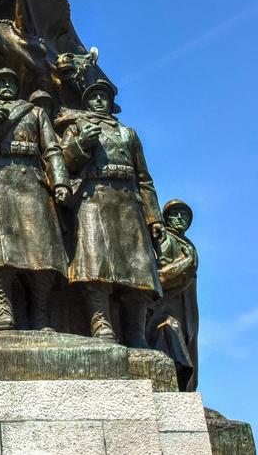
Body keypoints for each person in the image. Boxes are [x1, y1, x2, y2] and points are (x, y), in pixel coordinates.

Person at [0, 71, 70, 330]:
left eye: (11, 82)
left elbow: (52, 149)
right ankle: (2, 310)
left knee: (42, 253)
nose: (6, 86)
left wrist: (60, 182)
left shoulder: (34, 113)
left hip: (31, 181)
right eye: (1, 83)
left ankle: (40, 315)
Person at [60, 79, 163, 346]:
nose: (98, 101)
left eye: (102, 97)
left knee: (137, 271)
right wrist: (81, 144)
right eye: (93, 97)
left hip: (128, 203)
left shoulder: (128, 134)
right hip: (94, 199)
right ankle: (100, 324)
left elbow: (145, 180)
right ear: (86, 102)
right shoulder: (77, 127)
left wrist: (154, 217)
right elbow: (64, 163)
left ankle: (135, 333)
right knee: (95, 266)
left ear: (110, 102)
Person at [154, 198, 200, 390]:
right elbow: (160, 274)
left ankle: (184, 390)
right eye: (175, 214)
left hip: (186, 308)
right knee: (171, 341)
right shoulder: (165, 239)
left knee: (188, 349)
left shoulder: (187, 244)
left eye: (184, 215)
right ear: (166, 218)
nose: (180, 218)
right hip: (166, 307)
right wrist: (187, 262)